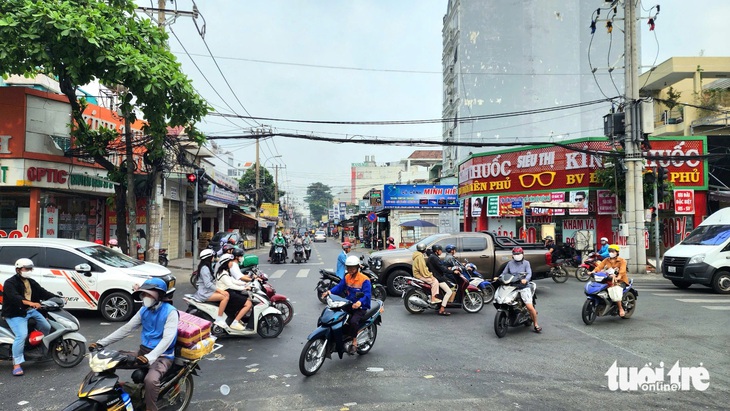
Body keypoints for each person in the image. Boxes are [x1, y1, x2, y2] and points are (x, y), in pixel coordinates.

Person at [90, 278, 178, 411]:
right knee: (107, 361)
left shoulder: (170, 312)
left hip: (162, 356)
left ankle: (150, 408)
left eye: (149, 294)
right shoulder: (144, 310)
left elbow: (167, 339)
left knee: (151, 381)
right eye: (144, 294)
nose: (145, 297)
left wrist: (151, 357)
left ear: (159, 295)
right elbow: (127, 329)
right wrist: (101, 343)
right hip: (143, 352)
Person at [2, 258, 58, 376]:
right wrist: (30, 303)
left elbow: (43, 292)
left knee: (46, 327)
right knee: (21, 335)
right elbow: (15, 298)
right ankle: (16, 364)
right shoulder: (10, 283)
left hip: (30, 311)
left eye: (30, 268)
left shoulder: (31, 282)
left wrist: (57, 298)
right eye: (26, 269)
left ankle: (36, 348)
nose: (29, 271)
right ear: (18, 270)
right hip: (15, 313)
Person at [321, 255, 371, 355]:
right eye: (348, 267)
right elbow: (339, 287)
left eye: (352, 268)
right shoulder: (347, 277)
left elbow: (367, 295)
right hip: (349, 302)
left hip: (361, 306)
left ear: (357, 267)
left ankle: (354, 341)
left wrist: (359, 302)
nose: (350, 270)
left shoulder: (364, 279)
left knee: (353, 321)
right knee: (336, 315)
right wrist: (329, 292)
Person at [497, 247, 541, 332]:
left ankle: (536, 324)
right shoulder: (510, 263)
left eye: (519, 254)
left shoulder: (526, 263)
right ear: (512, 255)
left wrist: (526, 280)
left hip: (524, 286)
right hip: (512, 286)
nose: (517, 255)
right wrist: (499, 277)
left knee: (529, 307)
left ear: (522, 254)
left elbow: (529, 273)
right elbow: (504, 273)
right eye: (515, 254)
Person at [192, 249, 230, 328]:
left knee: (226, 293)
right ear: (209, 258)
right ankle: (219, 319)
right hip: (204, 293)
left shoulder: (206, 267)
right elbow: (208, 284)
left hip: (207, 291)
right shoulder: (204, 269)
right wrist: (220, 291)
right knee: (225, 296)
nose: (214, 258)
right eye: (213, 256)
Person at [214, 254, 252, 331]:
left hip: (229, 291)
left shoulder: (224, 272)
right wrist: (244, 288)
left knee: (244, 299)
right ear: (226, 263)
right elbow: (231, 285)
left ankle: (236, 319)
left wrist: (245, 283)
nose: (232, 263)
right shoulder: (223, 273)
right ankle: (235, 323)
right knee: (248, 304)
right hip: (227, 292)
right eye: (231, 261)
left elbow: (233, 281)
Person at [591, 244, 628, 317]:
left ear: (617, 252)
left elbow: (622, 271)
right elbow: (599, 267)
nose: (611, 252)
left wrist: (618, 276)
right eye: (609, 251)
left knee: (615, 290)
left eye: (612, 251)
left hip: (620, 281)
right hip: (607, 279)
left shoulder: (622, 261)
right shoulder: (606, 260)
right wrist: (593, 271)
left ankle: (620, 308)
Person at [426, 245, 456, 316]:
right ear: (437, 251)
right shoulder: (434, 258)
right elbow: (442, 268)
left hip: (436, 276)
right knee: (449, 291)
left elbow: (440, 266)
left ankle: (439, 305)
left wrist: (447, 268)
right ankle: (442, 309)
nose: (441, 252)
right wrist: (452, 271)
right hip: (438, 278)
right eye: (440, 250)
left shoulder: (433, 257)